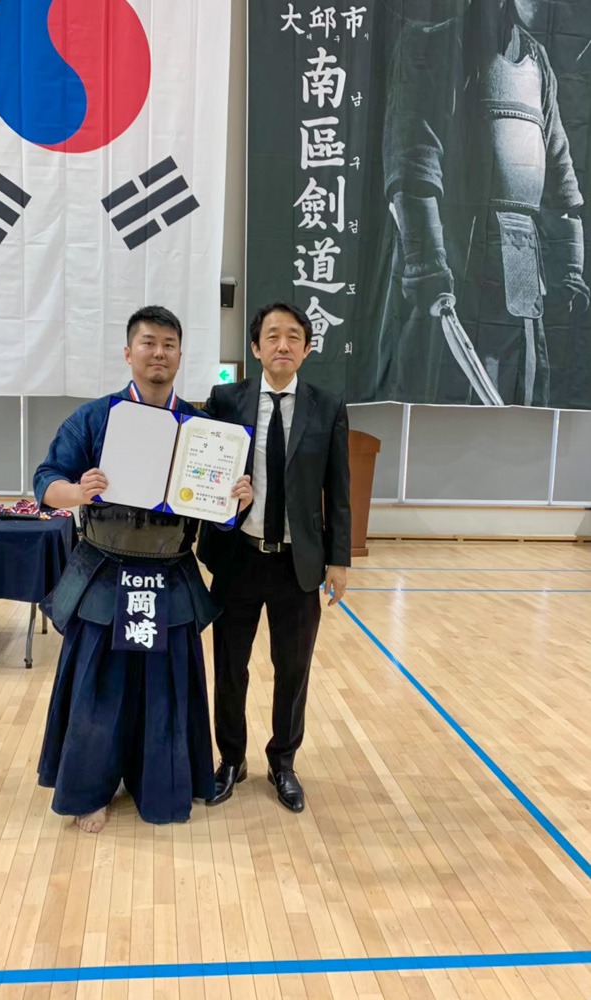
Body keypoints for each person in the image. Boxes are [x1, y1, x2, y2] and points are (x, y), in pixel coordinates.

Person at [34, 305, 253, 832]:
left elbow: (218, 516)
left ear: (180, 355)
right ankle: (89, 790)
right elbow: (45, 482)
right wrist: (76, 491)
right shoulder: (94, 418)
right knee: (98, 688)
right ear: (128, 352)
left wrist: (235, 501)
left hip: (171, 572)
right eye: (149, 343)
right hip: (104, 573)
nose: (159, 353)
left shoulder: (206, 432)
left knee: (167, 690)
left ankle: (162, 787)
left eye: (169, 345)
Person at [380, 0, 588, 406]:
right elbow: (413, 171)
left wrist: (569, 269)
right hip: (456, 269)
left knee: (523, 409)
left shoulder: (538, 63)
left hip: (524, 274)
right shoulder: (430, 47)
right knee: (447, 406)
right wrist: (427, 267)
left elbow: (560, 182)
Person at [197, 302, 351, 813]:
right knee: (229, 668)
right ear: (255, 347)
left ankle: (283, 763)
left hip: (297, 564)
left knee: (293, 670)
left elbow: (339, 490)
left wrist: (339, 560)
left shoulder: (327, 407)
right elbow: (203, 467)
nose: (282, 345)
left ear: (307, 349)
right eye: (272, 336)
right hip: (238, 557)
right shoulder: (225, 400)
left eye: (293, 337)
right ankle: (231, 760)